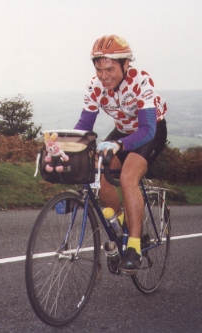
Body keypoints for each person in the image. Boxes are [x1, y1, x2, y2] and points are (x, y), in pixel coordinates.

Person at [74, 35, 168, 273]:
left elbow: (147, 130)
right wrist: (67, 144)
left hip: (150, 130)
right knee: (98, 170)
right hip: (123, 131)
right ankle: (121, 220)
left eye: (110, 69)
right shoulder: (95, 87)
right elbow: (84, 126)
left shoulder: (141, 81)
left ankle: (134, 249)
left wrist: (119, 145)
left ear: (126, 65)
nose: (104, 76)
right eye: (98, 69)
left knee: (128, 177)